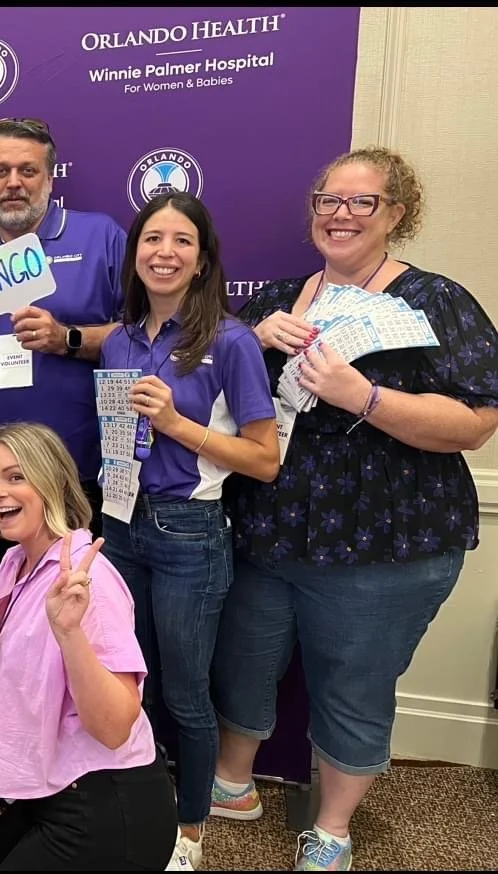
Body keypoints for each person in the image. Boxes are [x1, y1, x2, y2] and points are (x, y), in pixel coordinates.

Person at [212, 146, 498, 872]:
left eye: (360, 202)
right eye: (327, 201)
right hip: (268, 532)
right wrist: (249, 336)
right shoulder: (276, 296)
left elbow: (475, 421)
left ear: (397, 213)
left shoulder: (436, 302)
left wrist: (362, 395)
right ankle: (232, 784)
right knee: (245, 663)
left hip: (385, 545)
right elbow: (211, 386)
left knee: (353, 682)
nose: (339, 215)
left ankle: (332, 828)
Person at [96, 192, 278, 871]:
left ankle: (191, 832)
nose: (164, 252)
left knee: (185, 695)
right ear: (135, 254)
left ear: (202, 262)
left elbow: (265, 459)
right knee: (125, 684)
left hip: (189, 536)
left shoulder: (228, 341)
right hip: (122, 523)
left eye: (180, 241)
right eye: (152, 240)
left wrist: (178, 426)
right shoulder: (119, 337)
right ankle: (135, 803)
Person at [0, 421, 177, 870]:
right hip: (51, 789)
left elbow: (115, 727)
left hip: (109, 798)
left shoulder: (87, 580)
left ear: (52, 481)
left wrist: (70, 633)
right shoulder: (14, 565)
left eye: (16, 477)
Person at [0, 117, 127, 591]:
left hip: (78, 476)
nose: (13, 183)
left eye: (27, 171)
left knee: (77, 613)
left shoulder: (100, 238)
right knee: (6, 612)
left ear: (50, 179)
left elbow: (146, 338)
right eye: (0, 171)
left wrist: (67, 339)